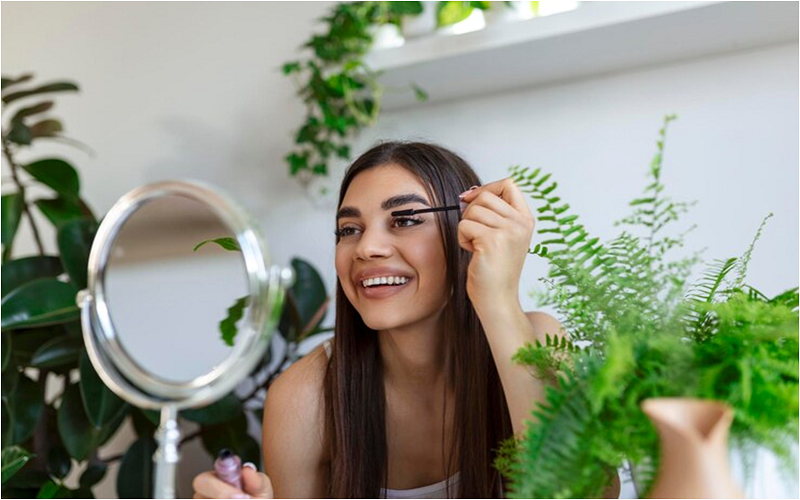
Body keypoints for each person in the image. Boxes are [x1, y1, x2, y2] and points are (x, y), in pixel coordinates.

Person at [193, 141, 566, 499]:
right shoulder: (303, 397)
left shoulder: (539, 339)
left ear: (467, 234)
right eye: (349, 230)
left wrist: (498, 298)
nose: (368, 248)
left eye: (404, 220)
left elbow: (586, 494)